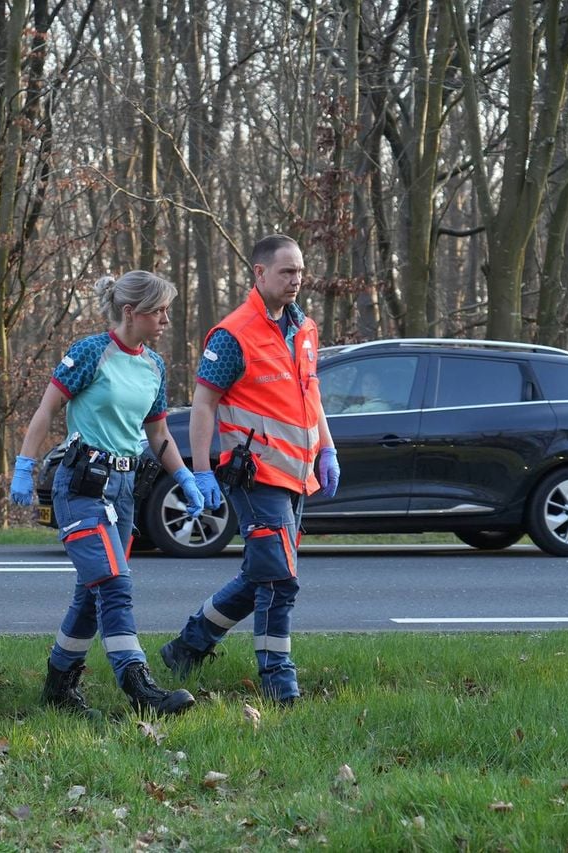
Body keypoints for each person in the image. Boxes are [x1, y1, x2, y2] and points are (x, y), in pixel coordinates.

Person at [9, 270, 203, 719]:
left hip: (123, 493)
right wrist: (24, 465)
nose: (166, 319)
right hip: (81, 488)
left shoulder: (154, 366)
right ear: (130, 312)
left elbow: (159, 435)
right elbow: (46, 410)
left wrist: (187, 479)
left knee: (90, 595)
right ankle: (139, 687)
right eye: (158, 311)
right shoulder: (91, 352)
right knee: (115, 586)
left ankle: (58, 688)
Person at [158, 235, 340, 705]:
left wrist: (328, 449)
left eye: (300, 270)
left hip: (297, 475)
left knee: (262, 574)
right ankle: (279, 683)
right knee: (281, 580)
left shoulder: (305, 330)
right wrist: (200, 471)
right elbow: (203, 405)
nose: (296, 279)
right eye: (286, 271)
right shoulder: (233, 335)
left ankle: (188, 647)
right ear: (259, 274)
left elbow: (311, 395)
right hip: (255, 477)